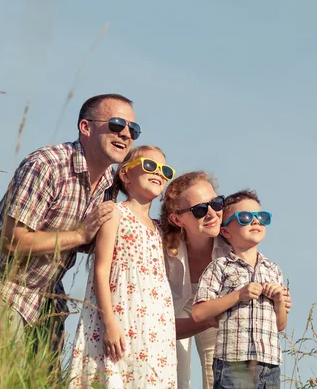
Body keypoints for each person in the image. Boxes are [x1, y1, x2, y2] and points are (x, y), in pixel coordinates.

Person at [0, 94, 138, 361]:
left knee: (46, 379)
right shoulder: (47, 165)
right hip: (0, 281)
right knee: (0, 369)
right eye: (116, 124)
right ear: (86, 127)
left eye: (133, 129)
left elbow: (93, 242)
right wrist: (80, 234)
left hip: (47, 293)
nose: (126, 134)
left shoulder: (110, 185)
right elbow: (13, 241)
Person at [160, 173, 292, 389]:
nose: (212, 213)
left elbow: (276, 318)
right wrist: (210, 316)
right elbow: (157, 326)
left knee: (216, 376)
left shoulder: (234, 247)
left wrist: (279, 300)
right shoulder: (161, 250)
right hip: (183, 311)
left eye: (216, 203)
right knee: (174, 375)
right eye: (200, 210)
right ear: (177, 219)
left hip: (221, 307)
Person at [68, 145, 177, 388]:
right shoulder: (115, 213)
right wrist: (109, 324)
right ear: (125, 175)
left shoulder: (160, 229)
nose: (159, 173)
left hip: (155, 325)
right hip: (120, 316)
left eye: (165, 170)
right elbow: (101, 270)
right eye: (150, 165)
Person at [192, 190, 286, 389]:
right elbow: (199, 313)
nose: (255, 222)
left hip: (269, 364)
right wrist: (238, 295)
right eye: (245, 217)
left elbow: (280, 325)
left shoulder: (273, 270)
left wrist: (279, 301)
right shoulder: (219, 267)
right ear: (226, 231)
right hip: (232, 362)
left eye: (261, 217)